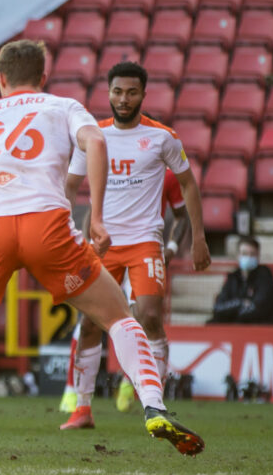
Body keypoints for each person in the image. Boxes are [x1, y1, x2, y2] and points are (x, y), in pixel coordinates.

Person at [0, 40, 205, 467]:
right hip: (48, 226)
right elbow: (96, 142)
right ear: (42, 76)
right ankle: (153, 406)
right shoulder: (63, 106)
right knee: (118, 316)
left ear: (1, 78)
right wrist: (96, 218)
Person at [60, 62, 210, 430]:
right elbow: (69, 186)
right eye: (117, 91)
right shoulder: (93, 136)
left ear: (143, 94)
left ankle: (154, 405)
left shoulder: (162, 137)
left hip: (144, 242)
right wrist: (63, 231)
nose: (123, 99)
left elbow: (188, 184)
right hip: (102, 245)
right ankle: (82, 408)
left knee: (150, 316)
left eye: (131, 92)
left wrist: (199, 238)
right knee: (90, 322)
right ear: (108, 93)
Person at [59, 168, 191, 415]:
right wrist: (87, 244)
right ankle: (72, 392)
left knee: (142, 319)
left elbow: (182, 215)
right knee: (89, 321)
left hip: (142, 250)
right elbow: (93, 211)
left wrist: (172, 247)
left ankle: (133, 386)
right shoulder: (106, 162)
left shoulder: (164, 172)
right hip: (107, 251)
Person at [209, 236, 273, 325]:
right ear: (238, 256)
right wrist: (241, 303)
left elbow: (259, 309)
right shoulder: (233, 277)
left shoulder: (265, 276)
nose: (248, 257)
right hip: (232, 324)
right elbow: (218, 308)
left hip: (257, 326)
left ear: (258, 256)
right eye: (244, 254)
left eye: (252, 254)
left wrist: (231, 312)